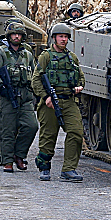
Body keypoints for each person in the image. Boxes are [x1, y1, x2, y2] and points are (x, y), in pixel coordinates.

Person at [31, 23, 86, 182]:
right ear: (54, 38)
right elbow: (36, 80)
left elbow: (81, 77)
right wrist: (45, 96)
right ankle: (44, 166)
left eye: (66, 37)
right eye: (61, 36)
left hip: (68, 100)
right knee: (48, 135)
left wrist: (79, 86)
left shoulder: (72, 57)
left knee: (76, 132)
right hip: (50, 102)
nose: (64, 39)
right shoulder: (46, 56)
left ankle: (69, 169)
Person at [0, 21, 38, 173]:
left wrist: (39, 93)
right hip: (6, 96)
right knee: (6, 128)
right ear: (9, 36)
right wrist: (0, 86)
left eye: (19, 34)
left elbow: (35, 74)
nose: (16, 36)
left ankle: (19, 155)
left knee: (31, 126)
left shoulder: (27, 55)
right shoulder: (0, 52)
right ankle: (7, 160)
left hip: (25, 96)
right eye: (14, 34)